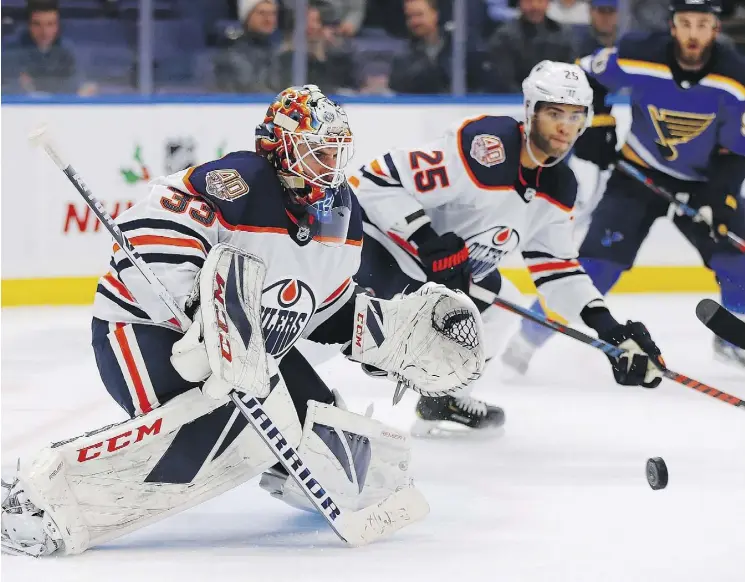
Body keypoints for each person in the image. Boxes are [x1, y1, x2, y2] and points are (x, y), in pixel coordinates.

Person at [1, 85, 486, 556]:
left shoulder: (343, 214)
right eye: (317, 154)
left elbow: (328, 308)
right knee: (211, 432)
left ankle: (282, 467)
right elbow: (149, 229)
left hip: (251, 352)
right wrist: (195, 309)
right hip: (148, 330)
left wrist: (382, 337)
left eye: (336, 155)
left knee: (324, 433)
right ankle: (34, 499)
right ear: (279, 149)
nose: (330, 170)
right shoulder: (236, 182)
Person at [351, 61, 666, 436]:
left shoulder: (559, 187)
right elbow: (375, 179)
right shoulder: (485, 148)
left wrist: (611, 330)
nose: (566, 126)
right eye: (554, 113)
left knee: (501, 307)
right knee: (329, 332)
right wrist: (427, 241)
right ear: (531, 110)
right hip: (375, 252)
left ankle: (443, 399)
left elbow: (558, 271)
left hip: (435, 279)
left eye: (576, 115)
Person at [503, 0, 745, 373]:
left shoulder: (734, 78)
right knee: (595, 267)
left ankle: (733, 341)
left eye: (702, 24)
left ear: (715, 29)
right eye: (685, 23)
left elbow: (735, 150)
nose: (693, 33)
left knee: (738, 259)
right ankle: (525, 341)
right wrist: (598, 124)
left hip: (703, 183)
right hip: (638, 173)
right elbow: (583, 74)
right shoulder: (639, 54)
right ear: (672, 26)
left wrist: (722, 198)